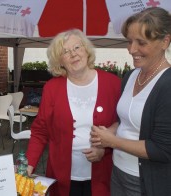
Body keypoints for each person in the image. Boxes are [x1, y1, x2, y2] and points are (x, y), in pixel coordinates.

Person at [26, 29, 121, 196]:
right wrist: (29, 165)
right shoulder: (52, 88)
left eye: (77, 47)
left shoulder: (113, 83)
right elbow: (40, 130)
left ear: (86, 50)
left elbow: (123, 123)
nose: (73, 54)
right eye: (65, 52)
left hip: (103, 176)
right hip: (62, 178)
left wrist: (105, 148)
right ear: (59, 61)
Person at [91, 7, 171, 196]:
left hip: (144, 181)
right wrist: (106, 134)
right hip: (118, 172)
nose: (131, 49)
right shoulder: (131, 76)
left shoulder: (167, 84)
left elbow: (162, 149)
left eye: (141, 42)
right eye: (129, 41)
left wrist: (113, 141)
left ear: (165, 41)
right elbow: (125, 119)